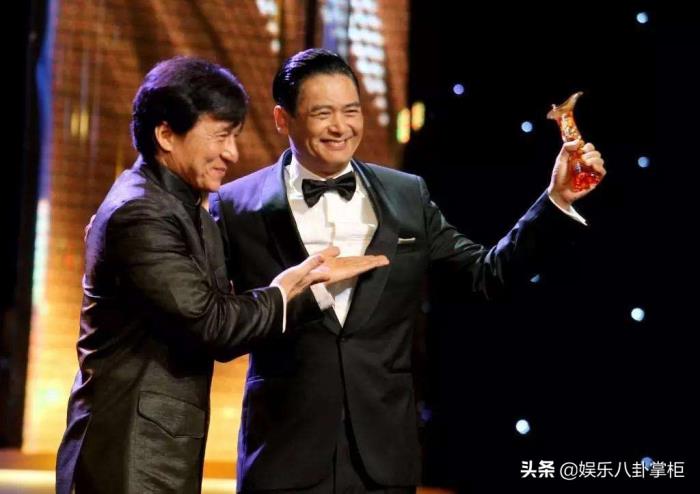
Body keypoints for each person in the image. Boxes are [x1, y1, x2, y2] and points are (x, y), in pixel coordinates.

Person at [210, 48, 605, 493]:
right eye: (322, 113)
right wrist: (285, 297)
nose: (341, 127)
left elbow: (486, 275)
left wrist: (556, 200)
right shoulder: (235, 206)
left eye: (351, 111)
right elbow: (219, 326)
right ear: (283, 120)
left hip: (383, 458)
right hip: (282, 454)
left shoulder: (406, 195)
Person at [55, 55, 388, 494]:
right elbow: (212, 323)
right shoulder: (142, 213)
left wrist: (309, 289)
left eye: (234, 136)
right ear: (165, 135)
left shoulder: (179, 204)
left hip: (153, 448)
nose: (231, 153)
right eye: (220, 136)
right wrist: (287, 292)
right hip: (129, 455)